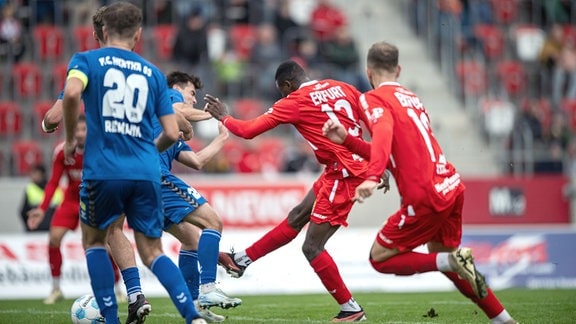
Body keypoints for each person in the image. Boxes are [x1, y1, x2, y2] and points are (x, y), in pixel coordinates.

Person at [321, 41, 518, 324]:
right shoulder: (411, 96)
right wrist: (349, 141)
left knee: (380, 258)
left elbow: (384, 134)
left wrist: (372, 176)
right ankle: (505, 320)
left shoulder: (372, 99)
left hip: (424, 194)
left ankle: (452, 262)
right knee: (449, 262)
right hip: (450, 185)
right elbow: (392, 149)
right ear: (398, 69)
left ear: (368, 72)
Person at [60, 2, 204, 323]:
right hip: (145, 171)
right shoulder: (153, 73)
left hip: (103, 169)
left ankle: (111, 319)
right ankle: (192, 315)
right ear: (138, 35)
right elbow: (171, 131)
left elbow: (70, 95)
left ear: (103, 31)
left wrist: (70, 139)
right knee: (153, 250)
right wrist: (147, 152)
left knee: (96, 242)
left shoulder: (86, 60)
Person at [206, 60, 370, 322]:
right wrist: (378, 160)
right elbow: (373, 119)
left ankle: (351, 308)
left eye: (282, 91)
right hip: (344, 167)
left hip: (345, 173)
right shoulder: (342, 87)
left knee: (312, 247)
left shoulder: (295, 100)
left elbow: (247, 131)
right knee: (297, 215)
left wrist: (224, 116)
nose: (282, 96)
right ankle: (242, 261)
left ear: (287, 85)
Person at [27, 116, 125, 305]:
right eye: (76, 130)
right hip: (71, 202)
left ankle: (117, 288)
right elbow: (54, 181)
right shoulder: (62, 152)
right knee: (54, 239)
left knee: (104, 245)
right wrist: (42, 208)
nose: (79, 134)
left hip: (94, 202)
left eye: (83, 130)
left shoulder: (99, 149)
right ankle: (56, 289)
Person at [19, 164, 62, 232]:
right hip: (35, 230)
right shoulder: (30, 189)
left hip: (53, 230)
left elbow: (62, 210)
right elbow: (23, 212)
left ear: (42, 174)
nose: (32, 176)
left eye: (35, 173)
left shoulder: (57, 189)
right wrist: (29, 227)